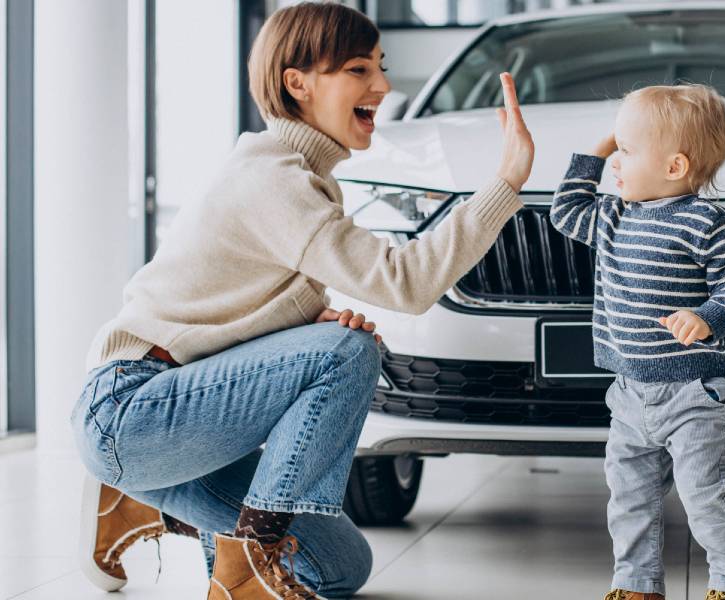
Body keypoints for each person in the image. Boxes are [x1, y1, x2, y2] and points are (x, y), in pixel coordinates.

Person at [70, 3, 534, 598]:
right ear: (298, 83)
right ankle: (251, 566)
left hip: (178, 426)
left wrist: (305, 321)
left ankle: (141, 505)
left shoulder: (299, 176)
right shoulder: (275, 177)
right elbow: (406, 283)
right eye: (359, 70)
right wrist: (505, 184)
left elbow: (228, 304)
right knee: (346, 350)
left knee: (341, 570)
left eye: (380, 67)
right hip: (133, 411)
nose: (383, 86)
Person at [549, 83, 725, 600]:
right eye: (616, 150)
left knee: (706, 495)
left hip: (696, 393)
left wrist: (709, 316)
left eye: (626, 151)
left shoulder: (707, 221)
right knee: (629, 498)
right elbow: (564, 209)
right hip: (628, 392)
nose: (615, 163)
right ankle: (637, 585)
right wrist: (596, 152)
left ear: (673, 168)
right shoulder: (613, 216)